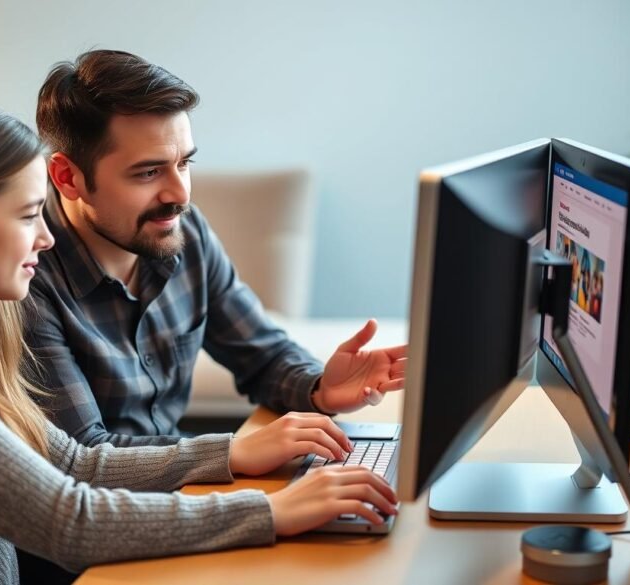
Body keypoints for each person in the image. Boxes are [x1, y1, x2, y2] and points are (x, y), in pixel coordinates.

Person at [0, 91, 398, 583]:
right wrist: (269, 509)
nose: (47, 236)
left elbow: (72, 461)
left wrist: (231, 454)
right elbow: (67, 519)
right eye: (29, 215)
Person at [28, 49, 408, 447]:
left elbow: (262, 354)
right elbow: (84, 454)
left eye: (185, 164)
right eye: (149, 172)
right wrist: (234, 451)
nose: (180, 194)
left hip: (181, 491)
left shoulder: (184, 230)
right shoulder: (24, 277)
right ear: (67, 176)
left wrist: (320, 389)